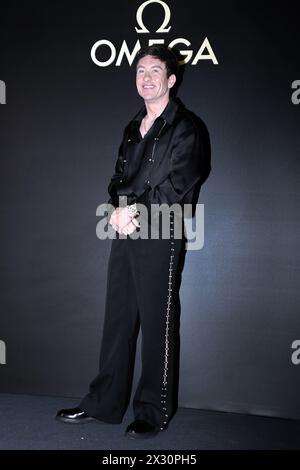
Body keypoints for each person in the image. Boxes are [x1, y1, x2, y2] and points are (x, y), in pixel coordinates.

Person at [56, 44, 211, 439]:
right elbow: (118, 180)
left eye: (154, 71)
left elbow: (179, 184)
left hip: (162, 229)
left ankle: (153, 411)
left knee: (157, 323)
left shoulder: (187, 127)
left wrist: (135, 212)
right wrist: (115, 211)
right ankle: (104, 404)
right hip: (124, 229)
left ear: (171, 80)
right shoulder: (132, 127)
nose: (145, 77)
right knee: (118, 320)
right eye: (140, 70)